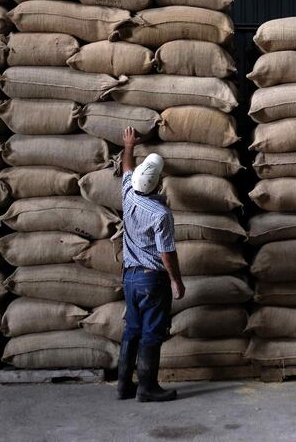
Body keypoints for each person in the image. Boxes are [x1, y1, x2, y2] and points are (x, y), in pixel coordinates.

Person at [117, 126, 185, 402]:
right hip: (152, 279)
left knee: (131, 330)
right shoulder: (161, 214)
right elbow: (167, 253)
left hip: (130, 278)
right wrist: (176, 281)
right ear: (158, 185)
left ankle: (123, 385)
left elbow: (126, 167)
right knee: (152, 333)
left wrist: (129, 145)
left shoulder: (127, 194)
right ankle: (147, 387)